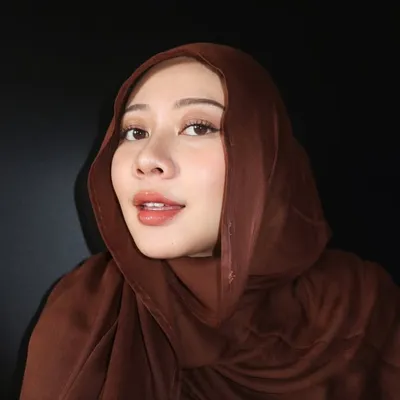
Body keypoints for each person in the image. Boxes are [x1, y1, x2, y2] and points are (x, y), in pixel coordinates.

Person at [20, 43, 400, 399]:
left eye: (198, 127)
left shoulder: (362, 305)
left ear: (264, 156)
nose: (147, 158)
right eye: (135, 132)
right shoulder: (88, 310)